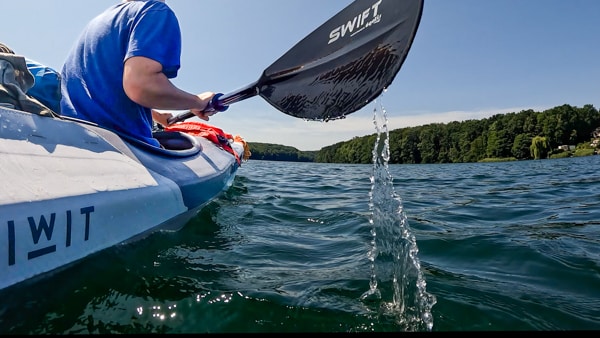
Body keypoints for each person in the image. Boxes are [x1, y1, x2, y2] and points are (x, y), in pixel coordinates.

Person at [60, 0, 217, 148]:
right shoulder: (154, 11)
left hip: (67, 134)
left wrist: (156, 116)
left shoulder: (97, 24)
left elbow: (102, 88)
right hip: (120, 145)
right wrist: (197, 102)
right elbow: (142, 85)